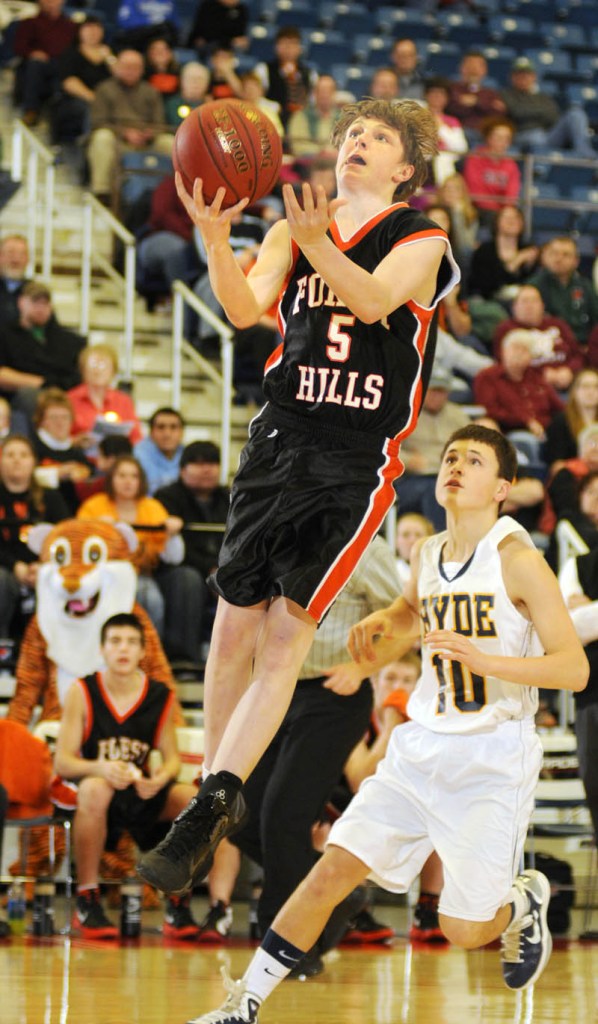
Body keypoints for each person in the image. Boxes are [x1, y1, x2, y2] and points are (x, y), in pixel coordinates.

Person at [136, 97, 460, 898]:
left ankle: (212, 798)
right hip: (279, 437)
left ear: (405, 171)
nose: (358, 143)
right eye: (352, 133)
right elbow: (245, 309)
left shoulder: (420, 237)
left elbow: (376, 302)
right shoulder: (290, 231)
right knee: (228, 630)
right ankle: (212, 802)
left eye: (378, 139)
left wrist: (322, 245)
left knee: (285, 636)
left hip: (353, 457)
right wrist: (216, 241)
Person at [184, 424, 588, 1023]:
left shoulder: (521, 562)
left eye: (473, 460)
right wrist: (381, 625)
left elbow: (573, 669)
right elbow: (410, 614)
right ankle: (242, 1004)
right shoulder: (427, 554)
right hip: (419, 746)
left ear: (503, 487)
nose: (455, 466)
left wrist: (486, 660)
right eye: (451, 456)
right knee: (330, 872)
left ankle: (521, 902)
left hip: (492, 756)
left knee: (462, 929)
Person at [231, 535, 401, 967]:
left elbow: (404, 621)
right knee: (237, 813)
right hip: (274, 690)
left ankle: (283, 950)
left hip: (333, 694)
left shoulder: (367, 548)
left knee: (283, 817)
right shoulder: (273, 536)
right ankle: (335, 895)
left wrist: (362, 667)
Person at [54, 612, 201, 940]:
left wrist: (160, 778)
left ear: (142, 651)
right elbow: (63, 762)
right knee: (95, 789)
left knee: (192, 801)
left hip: (140, 791)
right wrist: (99, 767)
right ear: (103, 649)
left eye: (132, 642)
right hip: (98, 793)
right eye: (116, 642)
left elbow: (173, 760)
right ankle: (87, 898)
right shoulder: (83, 690)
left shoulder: (159, 694)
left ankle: (178, 901)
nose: (123, 649)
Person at [77, 455, 184, 636]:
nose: (128, 481)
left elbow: (174, 557)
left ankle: (149, 650)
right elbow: (77, 545)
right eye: (122, 476)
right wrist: (96, 529)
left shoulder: (152, 507)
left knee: (150, 598)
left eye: (134, 476)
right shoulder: (93, 506)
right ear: (111, 479)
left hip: (140, 574)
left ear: (141, 481)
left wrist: (173, 535)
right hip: (99, 575)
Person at [154, 440, 230, 666]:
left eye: (212, 463)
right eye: (198, 464)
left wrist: (223, 570)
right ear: (182, 469)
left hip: (223, 569)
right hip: (177, 571)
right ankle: (183, 659)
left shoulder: (231, 498)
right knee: (187, 579)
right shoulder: (166, 497)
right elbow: (175, 549)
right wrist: (210, 569)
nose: (207, 469)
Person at [0, 435, 69, 638]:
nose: (17, 460)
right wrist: (16, 566)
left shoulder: (51, 498)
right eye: (10, 455)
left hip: (45, 566)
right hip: (6, 567)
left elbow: (65, 536)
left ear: (34, 462)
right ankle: (3, 650)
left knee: (56, 579)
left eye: (23, 455)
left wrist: (42, 565)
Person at [87, 49, 173, 205]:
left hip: (146, 141)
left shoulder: (151, 91)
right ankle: (102, 191)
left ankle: (176, 192)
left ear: (142, 69)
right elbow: (98, 122)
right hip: (117, 139)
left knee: (170, 142)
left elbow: (159, 123)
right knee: (102, 137)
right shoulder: (104, 89)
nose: (131, 70)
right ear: (118, 67)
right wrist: (125, 133)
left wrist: (149, 133)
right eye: (127, 66)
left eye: (135, 67)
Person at [395, 364, 471, 531]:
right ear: (423, 390)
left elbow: (472, 445)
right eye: (433, 390)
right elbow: (387, 449)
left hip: (451, 474)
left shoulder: (458, 415)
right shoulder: (406, 413)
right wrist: (407, 460)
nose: (437, 396)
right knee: (435, 490)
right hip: (413, 479)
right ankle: (442, 541)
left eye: (442, 391)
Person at [0, 280, 85, 424]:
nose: (40, 308)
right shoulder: (5, 335)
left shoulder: (69, 340)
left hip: (64, 395)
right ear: (21, 303)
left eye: (45, 303)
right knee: (30, 396)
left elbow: (77, 376)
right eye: (35, 302)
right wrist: (42, 383)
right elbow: (3, 375)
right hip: (22, 398)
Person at [493, 284, 584, 394]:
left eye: (534, 301)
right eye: (524, 301)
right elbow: (505, 365)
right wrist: (540, 375)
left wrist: (569, 371)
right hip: (530, 389)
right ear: (514, 307)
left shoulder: (558, 325)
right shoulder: (506, 330)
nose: (529, 306)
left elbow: (578, 355)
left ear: (542, 305)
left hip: (569, 384)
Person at [473, 329, 563, 440]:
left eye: (524, 350)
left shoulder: (536, 377)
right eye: (515, 349)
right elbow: (491, 410)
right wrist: (526, 421)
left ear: (531, 356)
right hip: (510, 431)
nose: (519, 354)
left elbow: (557, 406)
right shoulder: (488, 377)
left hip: (546, 429)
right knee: (524, 439)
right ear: (503, 351)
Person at [501, 57, 595, 159]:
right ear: (512, 77)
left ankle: (583, 152)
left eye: (527, 74)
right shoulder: (506, 94)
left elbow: (553, 116)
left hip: (547, 135)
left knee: (575, 113)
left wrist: (529, 111)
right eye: (519, 74)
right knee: (535, 135)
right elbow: (517, 112)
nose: (524, 77)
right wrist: (539, 111)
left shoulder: (543, 96)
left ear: (534, 77)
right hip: (522, 135)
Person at [67, 343, 143, 457]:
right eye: (93, 365)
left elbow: (135, 437)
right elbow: (57, 439)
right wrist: (74, 441)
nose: (98, 371)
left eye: (104, 366)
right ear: (82, 369)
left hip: (116, 461)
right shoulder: (69, 399)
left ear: (113, 371)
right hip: (80, 459)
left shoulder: (124, 401)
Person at [50, 14, 113, 145]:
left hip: (107, 99)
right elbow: (69, 82)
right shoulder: (71, 53)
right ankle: (90, 144)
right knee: (87, 108)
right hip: (76, 100)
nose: (93, 32)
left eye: (97, 28)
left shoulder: (109, 54)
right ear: (80, 31)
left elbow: (123, 77)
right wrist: (93, 98)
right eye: (88, 28)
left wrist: (110, 58)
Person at [12, 0, 77, 126]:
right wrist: (33, 52)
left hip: (63, 64)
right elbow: (19, 47)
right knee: (35, 65)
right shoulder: (29, 23)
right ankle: (31, 110)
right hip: (39, 64)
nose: (50, 3)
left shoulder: (71, 26)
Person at [527, 237, 598, 348]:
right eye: (554, 253)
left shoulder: (585, 286)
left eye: (566, 255)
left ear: (576, 261)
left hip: (583, 346)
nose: (558, 259)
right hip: (548, 347)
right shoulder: (533, 286)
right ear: (545, 257)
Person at [32, 388, 92, 514]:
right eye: (54, 417)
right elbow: (23, 477)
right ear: (42, 420)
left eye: (65, 417)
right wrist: (58, 473)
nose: (60, 423)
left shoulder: (77, 451)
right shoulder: (31, 447)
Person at [254, 26, 314, 129]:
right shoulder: (264, 70)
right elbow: (254, 98)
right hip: (271, 124)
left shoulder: (309, 74)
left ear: (300, 48)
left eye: (293, 44)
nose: (288, 48)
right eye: (284, 43)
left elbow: (313, 102)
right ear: (276, 47)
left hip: (300, 126)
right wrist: (273, 107)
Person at [463, 118, 521, 223]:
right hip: (479, 209)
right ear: (488, 138)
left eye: (506, 138)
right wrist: (497, 210)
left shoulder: (511, 164)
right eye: (498, 137)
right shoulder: (475, 158)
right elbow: (476, 192)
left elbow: (511, 194)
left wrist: (505, 210)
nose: (503, 142)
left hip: (501, 213)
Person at [446, 51, 506, 143]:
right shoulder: (452, 89)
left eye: (478, 66)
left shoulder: (491, 92)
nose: (473, 69)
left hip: (484, 133)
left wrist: (476, 101)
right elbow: (452, 108)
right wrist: (486, 104)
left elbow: (498, 112)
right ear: (461, 68)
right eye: (469, 65)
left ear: (484, 70)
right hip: (458, 131)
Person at [544, 368, 598, 470]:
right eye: (585, 387)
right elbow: (556, 465)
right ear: (575, 391)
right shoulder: (560, 422)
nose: (591, 392)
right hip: (572, 475)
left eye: (596, 387)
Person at [134, 407, 185, 494]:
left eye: (173, 427)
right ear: (151, 432)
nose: (167, 434)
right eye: (161, 427)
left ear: (182, 432)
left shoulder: (188, 456)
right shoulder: (136, 456)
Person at [287, 74, 340, 158]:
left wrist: (333, 153)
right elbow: (298, 146)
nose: (325, 95)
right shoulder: (300, 117)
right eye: (321, 91)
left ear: (335, 93)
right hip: (307, 166)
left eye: (329, 91)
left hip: (337, 165)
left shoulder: (345, 118)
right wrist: (321, 154)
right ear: (314, 93)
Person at [394, 511, 435, 589]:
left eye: (418, 535)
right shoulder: (389, 572)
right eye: (405, 535)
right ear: (396, 541)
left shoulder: (438, 572)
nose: (412, 541)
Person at [0, 234, 30, 326]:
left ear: (27, 259)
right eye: (10, 253)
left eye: (21, 254)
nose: (16, 259)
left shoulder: (35, 291)